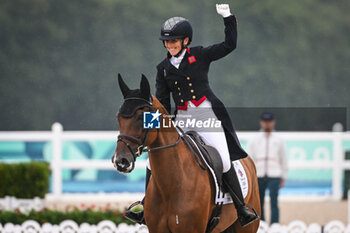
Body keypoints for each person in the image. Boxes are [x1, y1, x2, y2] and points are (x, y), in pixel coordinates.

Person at [124, 4, 259, 226]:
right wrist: (151, 127)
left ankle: (241, 207)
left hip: (207, 116)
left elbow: (229, 45)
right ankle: (146, 203)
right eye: (166, 42)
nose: (169, 45)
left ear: (185, 40)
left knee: (224, 160)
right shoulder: (163, 68)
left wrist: (227, 18)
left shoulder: (200, 54)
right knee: (152, 159)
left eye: (174, 41)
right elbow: (163, 103)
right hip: (183, 119)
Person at [247, 112, 288, 224]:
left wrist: (283, 176)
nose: (267, 124)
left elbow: (284, 158)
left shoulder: (279, 139)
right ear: (261, 122)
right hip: (259, 174)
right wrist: (251, 176)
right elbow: (250, 158)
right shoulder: (255, 139)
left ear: (273, 122)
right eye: (265, 122)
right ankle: (262, 223)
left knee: (274, 201)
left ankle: (275, 224)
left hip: (274, 174)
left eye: (269, 122)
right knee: (259, 202)